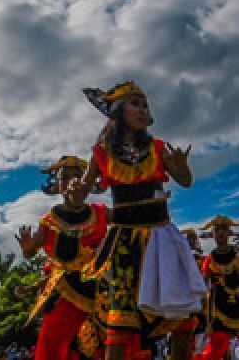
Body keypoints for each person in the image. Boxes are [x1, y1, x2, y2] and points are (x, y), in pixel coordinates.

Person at [80, 81, 206, 359]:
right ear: (117, 112)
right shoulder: (101, 153)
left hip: (161, 239)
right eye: (135, 103)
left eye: (145, 104)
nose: (142, 109)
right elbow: (83, 191)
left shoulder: (158, 148)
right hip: (125, 243)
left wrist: (183, 168)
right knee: (123, 317)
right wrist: (76, 192)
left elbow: (185, 182)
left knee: (181, 318)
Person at [16, 155, 108, 360]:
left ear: (89, 182)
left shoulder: (100, 213)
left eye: (79, 176)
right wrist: (28, 247)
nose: (72, 182)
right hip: (64, 291)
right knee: (53, 343)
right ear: (57, 185)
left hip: (100, 291)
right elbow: (30, 253)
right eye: (65, 177)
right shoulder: (49, 220)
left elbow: (131, 217)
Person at [193, 216, 239, 360]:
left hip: (237, 305)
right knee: (217, 347)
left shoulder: (237, 256)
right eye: (217, 229)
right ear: (213, 234)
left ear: (229, 233)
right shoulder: (209, 259)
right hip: (218, 310)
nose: (220, 232)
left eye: (224, 229)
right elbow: (202, 284)